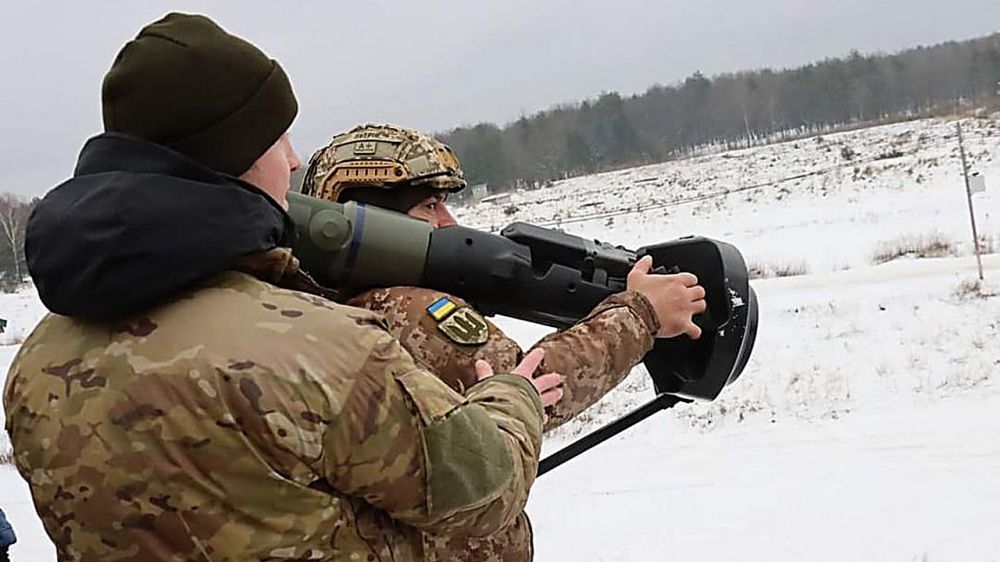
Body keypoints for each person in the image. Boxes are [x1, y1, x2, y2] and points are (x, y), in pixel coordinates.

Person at [3, 14, 563, 561]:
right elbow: (483, 489)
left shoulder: (34, 364)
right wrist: (514, 397)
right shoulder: (320, 350)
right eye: (277, 138)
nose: (294, 160)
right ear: (234, 154)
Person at [303, 124, 708, 560]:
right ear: (371, 215)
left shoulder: (320, 310)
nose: (448, 223)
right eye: (430, 205)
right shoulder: (404, 309)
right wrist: (641, 315)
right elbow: (530, 385)